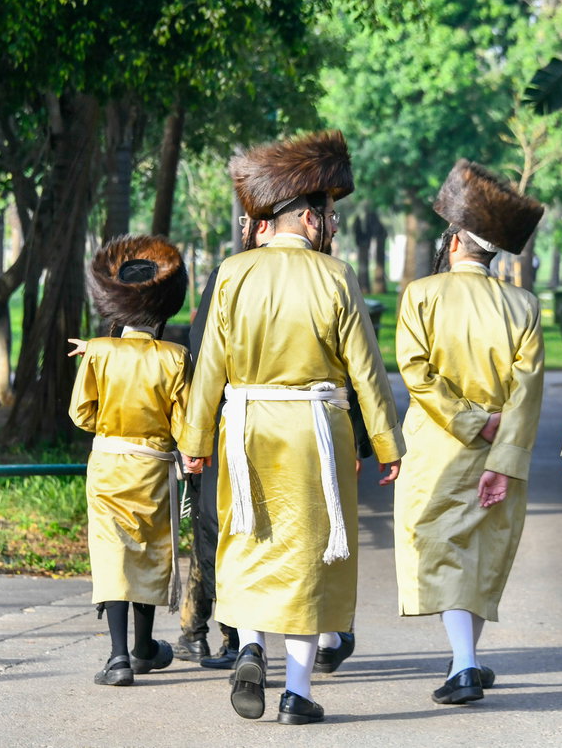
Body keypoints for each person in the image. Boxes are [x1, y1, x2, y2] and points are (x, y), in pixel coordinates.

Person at [177, 130, 402, 726]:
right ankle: (297, 694)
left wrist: (195, 443)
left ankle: (249, 645)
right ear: (305, 216)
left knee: (247, 541)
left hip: (244, 425)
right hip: (315, 433)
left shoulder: (231, 273)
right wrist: (386, 442)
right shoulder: (335, 276)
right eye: (328, 215)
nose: (332, 225)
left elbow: (209, 371)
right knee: (312, 556)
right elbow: (366, 370)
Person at [393, 160, 545, 705]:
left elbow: (415, 372)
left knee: (446, 551)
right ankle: (469, 660)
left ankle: (462, 664)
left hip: (440, 445)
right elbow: (529, 391)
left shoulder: (421, 294)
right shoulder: (524, 304)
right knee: (482, 552)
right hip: (503, 449)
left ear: (455, 240)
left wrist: (469, 422)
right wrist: (502, 450)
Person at [69, 235, 190, 687]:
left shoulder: (99, 352)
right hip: (154, 468)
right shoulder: (176, 358)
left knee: (112, 554)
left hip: (107, 466)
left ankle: (118, 657)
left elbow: (80, 414)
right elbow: (184, 425)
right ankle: (143, 648)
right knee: (147, 552)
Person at [173, 213, 274, 671]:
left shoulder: (230, 273)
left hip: (232, 421)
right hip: (300, 427)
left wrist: (196, 437)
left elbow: (203, 354)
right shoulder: (322, 272)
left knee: (218, 530)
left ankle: (221, 637)